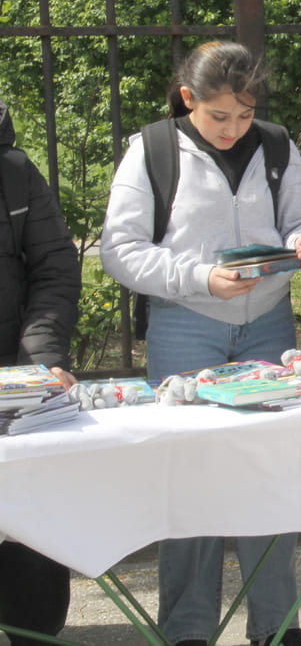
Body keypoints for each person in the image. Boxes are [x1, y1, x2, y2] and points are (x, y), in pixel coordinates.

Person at [100, 41, 301, 646]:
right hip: (184, 323)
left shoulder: (278, 146)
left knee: (269, 474)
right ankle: (188, 630)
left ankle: (277, 627)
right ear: (187, 100)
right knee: (191, 476)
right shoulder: (151, 150)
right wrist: (199, 278)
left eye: (245, 115)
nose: (233, 129)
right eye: (218, 116)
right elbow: (119, 250)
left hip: (268, 322)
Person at [0, 97, 81, 646]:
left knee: (29, 524)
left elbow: (54, 268)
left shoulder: (14, 171)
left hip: (15, 381)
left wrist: (41, 362)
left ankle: (35, 631)